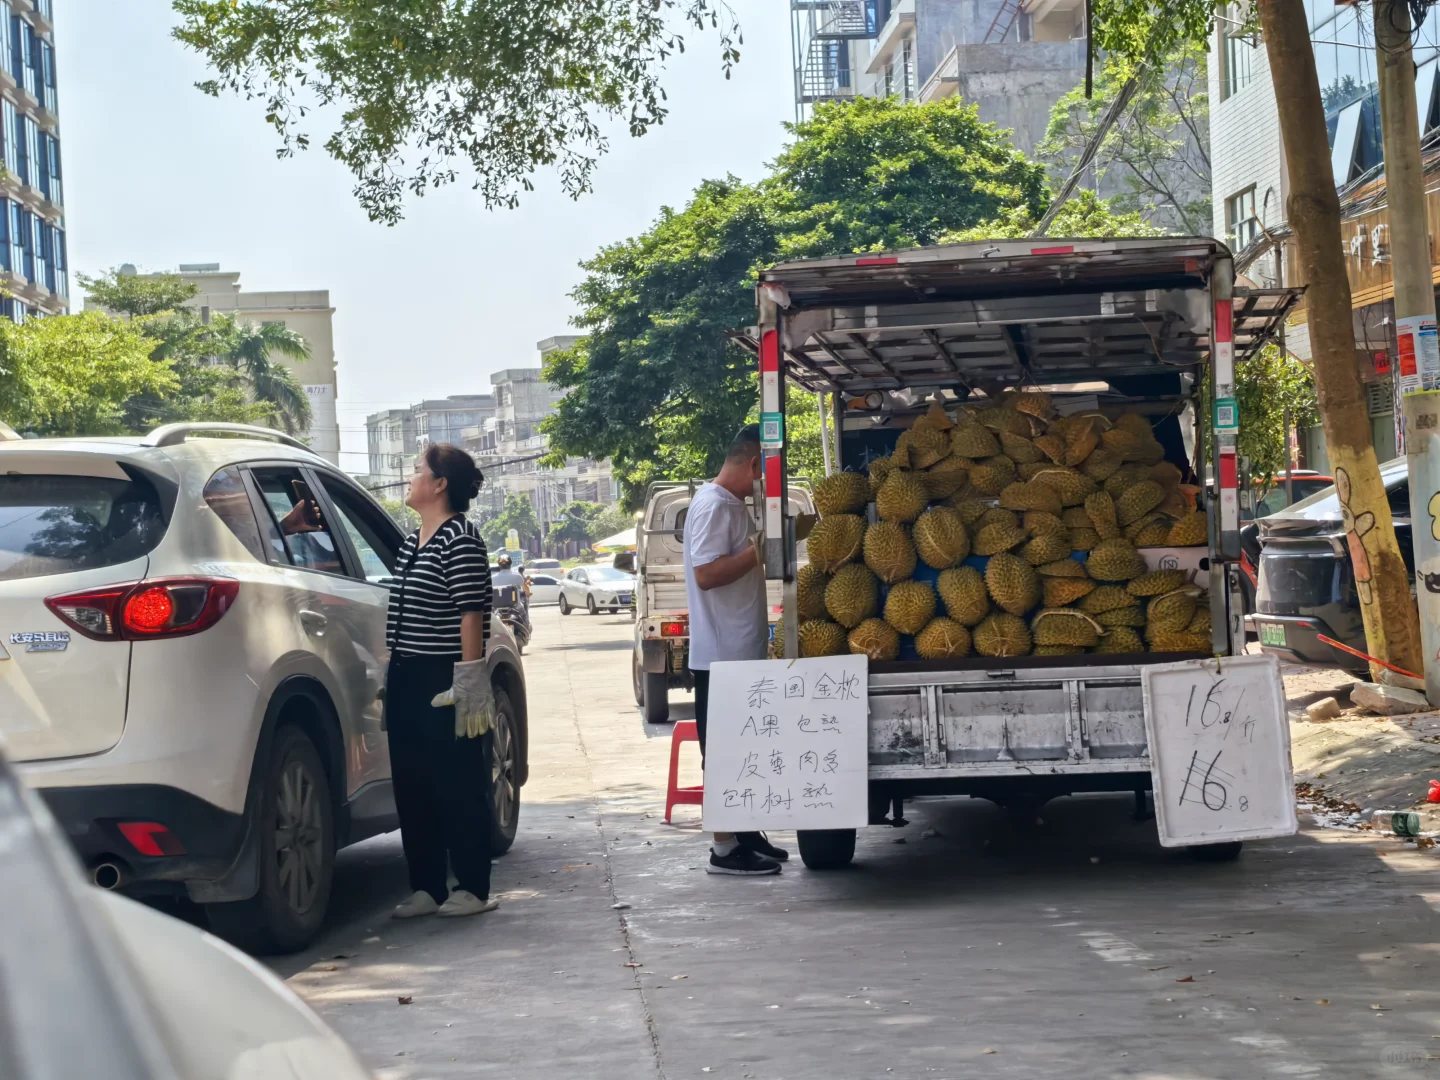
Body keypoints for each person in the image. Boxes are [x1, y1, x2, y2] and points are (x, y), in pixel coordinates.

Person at [385, 444, 499, 919]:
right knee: (413, 783)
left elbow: (470, 613)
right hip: (406, 673)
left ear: (439, 485)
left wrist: (469, 678)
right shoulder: (412, 541)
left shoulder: (461, 539)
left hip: (446, 673)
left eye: (418, 471)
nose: (410, 478)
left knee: (458, 781)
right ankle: (426, 886)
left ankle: (471, 885)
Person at [684, 425, 790, 875]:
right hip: (720, 657)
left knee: (746, 750)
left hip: (739, 654)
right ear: (752, 464)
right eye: (766, 474)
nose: (766, 486)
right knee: (725, 753)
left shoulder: (729, 505)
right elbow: (706, 573)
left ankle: (746, 833)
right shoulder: (712, 506)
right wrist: (761, 551)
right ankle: (724, 849)